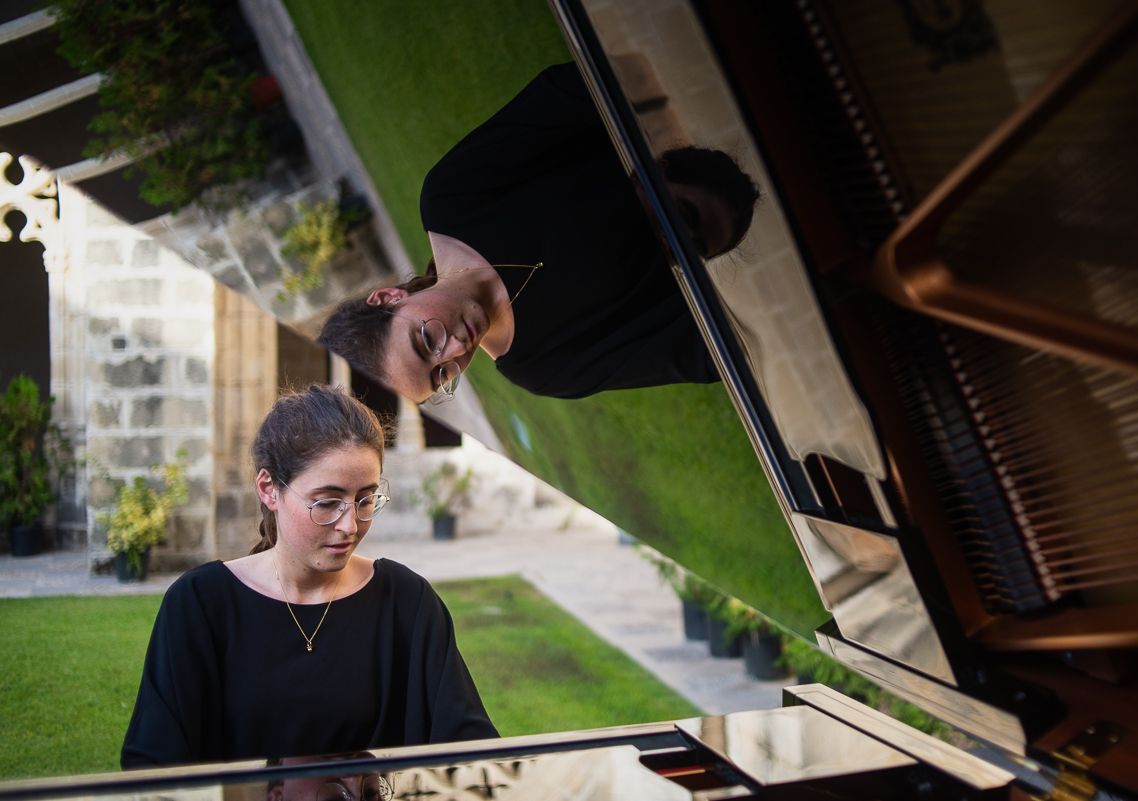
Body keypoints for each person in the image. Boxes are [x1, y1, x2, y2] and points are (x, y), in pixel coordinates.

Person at [318, 61, 759, 402]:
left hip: (710, 94)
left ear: (390, 299)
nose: (455, 351)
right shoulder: (546, 367)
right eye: (440, 376)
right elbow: (709, 352)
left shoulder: (454, 199)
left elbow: (583, 89)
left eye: (426, 341)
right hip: (749, 229)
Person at [121, 385, 496, 767]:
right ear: (269, 489)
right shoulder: (200, 604)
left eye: (365, 500)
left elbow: (474, 754)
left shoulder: (407, 601)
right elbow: (153, 765)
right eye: (327, 502)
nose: (350, 524)